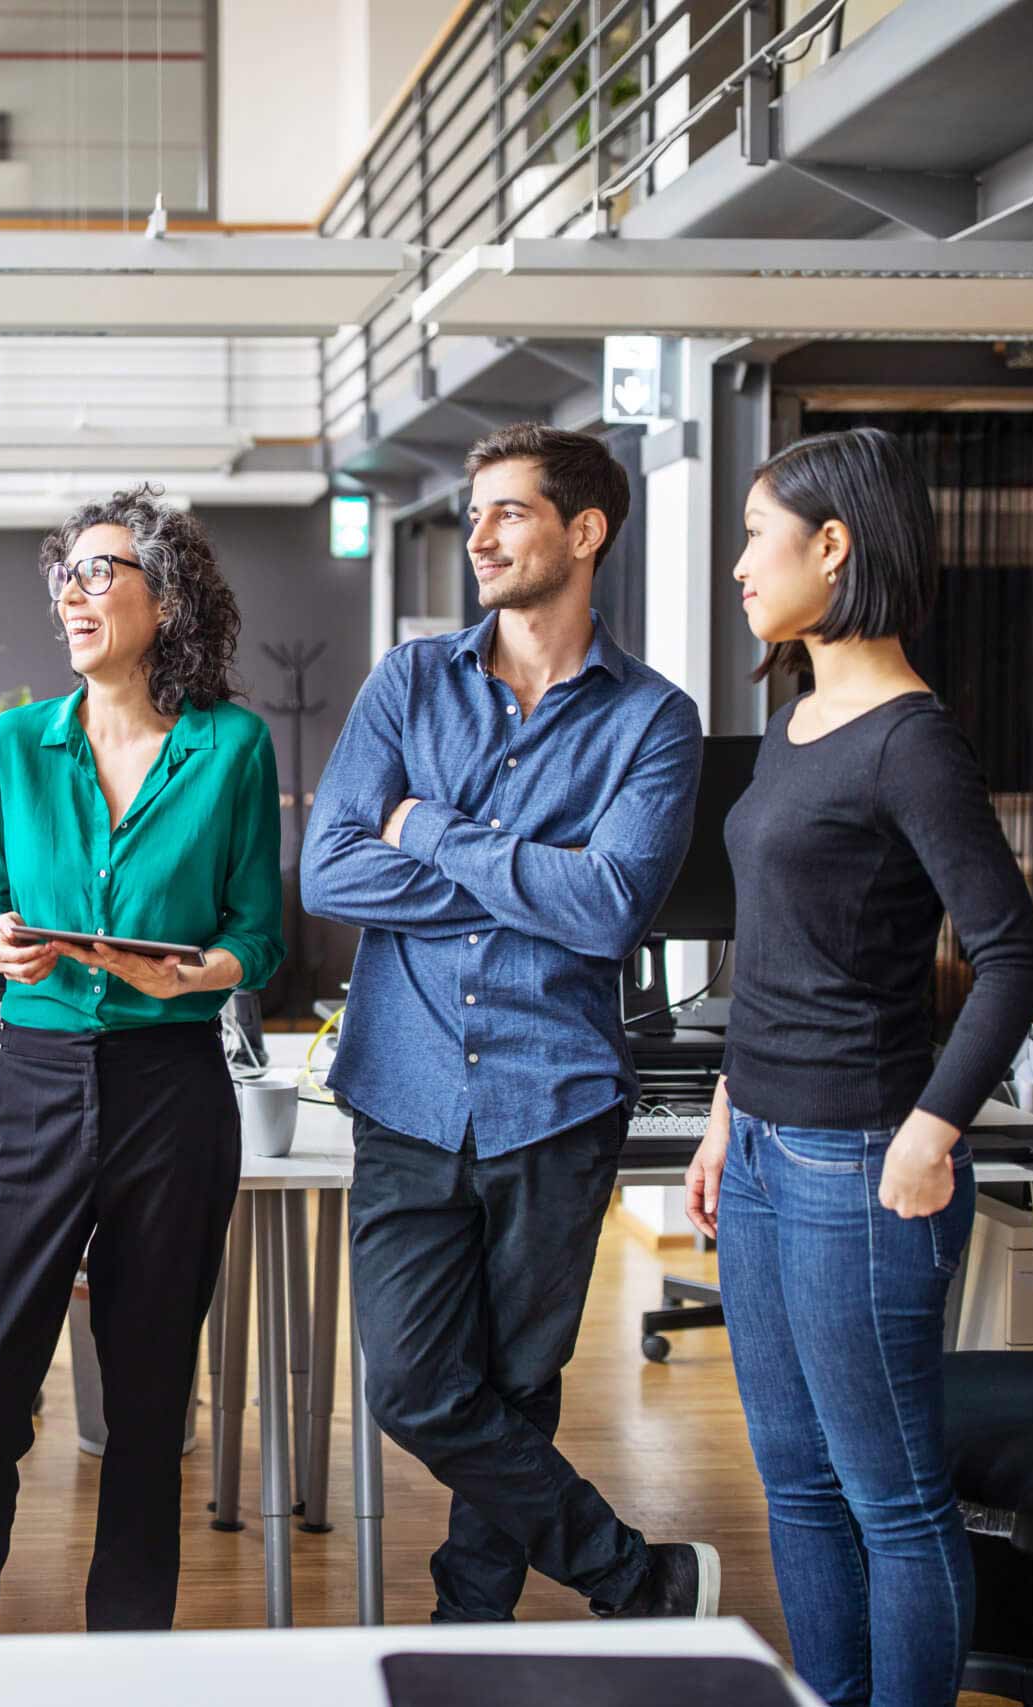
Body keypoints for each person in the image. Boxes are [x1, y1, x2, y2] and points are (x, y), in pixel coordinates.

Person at [302, 423, 717, 1624]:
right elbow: (329, 872)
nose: (475, 535)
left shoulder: (652, 721)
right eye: (473, 514)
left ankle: (464, 1634)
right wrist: (532, 874)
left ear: (584, 534)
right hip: (406, 1091)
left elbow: (607, 912)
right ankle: (635, 1577)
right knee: (419, 1389)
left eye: (507, 513)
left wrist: (426, 828)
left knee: (516, 1391)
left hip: (554, 1100)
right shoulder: (408, 682)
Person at [687, 426, 1033, 1707]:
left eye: (753, 536)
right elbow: (775, 952)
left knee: (890, 1497)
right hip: (771, 1152)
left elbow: (1012, 956)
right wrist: (727, 1109)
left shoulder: (909, 741)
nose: (738, 565)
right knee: (791, 1478)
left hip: (858, 1163)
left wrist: (930, 1130)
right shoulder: (795, 724)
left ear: (831, 547)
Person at [0, 485, 283, 1633]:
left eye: (101, 572)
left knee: (145, 1403)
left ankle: (128, 1644)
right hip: (36, 1081)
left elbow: (254, 933)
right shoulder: (14, 743)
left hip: (170, 1091)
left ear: (166, 598)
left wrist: (203, 975)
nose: (74, 595)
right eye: (65, 577)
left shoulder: (230, 746)